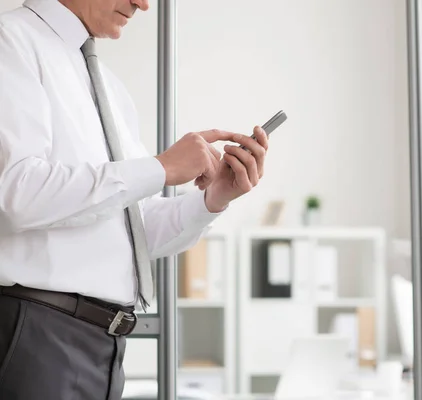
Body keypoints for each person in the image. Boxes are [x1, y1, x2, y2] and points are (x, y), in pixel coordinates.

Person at [0, 0, 269, 399]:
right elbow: (16, 194)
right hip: (38, 335)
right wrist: (160, 168)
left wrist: (212, 200)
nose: (142, 4)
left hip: (103, 347)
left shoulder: (107, 85)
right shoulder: (12, 41)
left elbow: (132, 233)